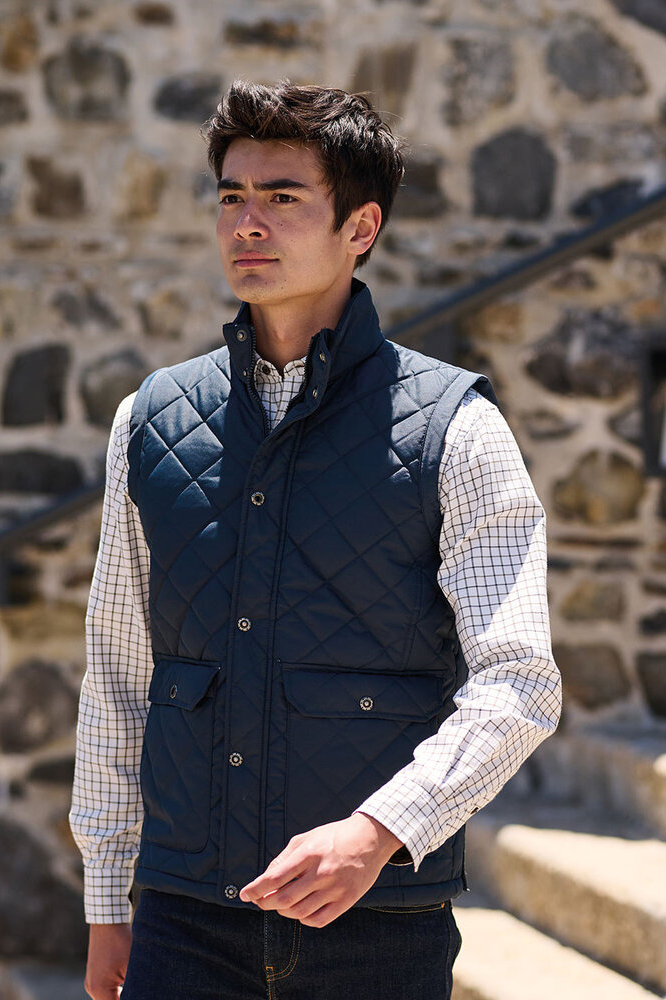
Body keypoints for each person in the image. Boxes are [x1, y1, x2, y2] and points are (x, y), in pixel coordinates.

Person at [70, 80, 562, 1000]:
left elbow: (518, 682)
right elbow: (120, 675)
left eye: (283, 197)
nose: (247, 223)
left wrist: (378, 833)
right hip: (184, 921)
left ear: (360, 227)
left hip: (376, 927)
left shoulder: (456, 429)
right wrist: (107, 896)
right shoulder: (149, 421)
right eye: (231, 196)